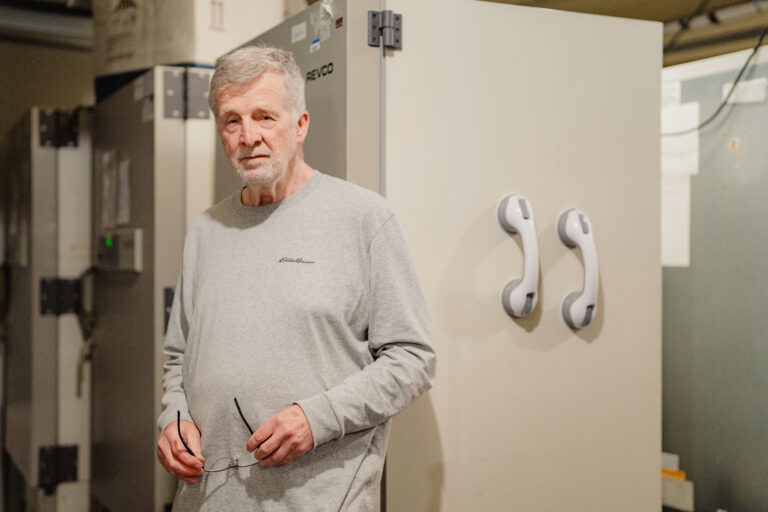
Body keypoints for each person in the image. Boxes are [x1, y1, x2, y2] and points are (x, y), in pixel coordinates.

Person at [155, 46, 436, 511]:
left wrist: (317, 418)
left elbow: (413, 358)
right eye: (232, 120)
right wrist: (174, 418)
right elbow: (177, 357)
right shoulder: (205, 230)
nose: (248, 136)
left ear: (300, 124)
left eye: (264, 116)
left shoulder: (363, 218)